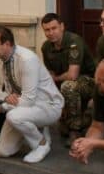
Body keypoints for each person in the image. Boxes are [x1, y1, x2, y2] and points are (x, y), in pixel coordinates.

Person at [0, 26, 63, 163]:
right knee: (3, 151)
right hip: (20, 107)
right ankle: (37, 127)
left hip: (48, 105)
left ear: (7, 44)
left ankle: (41, 144)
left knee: (13, 116)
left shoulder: (27, 59)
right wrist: (6, 97)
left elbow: (29, 100)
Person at [40, 13, 96, 141]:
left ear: (62, 27)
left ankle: (75, 129)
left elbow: (72, 75)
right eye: (47, 30)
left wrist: (56, 79)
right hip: (67, 83)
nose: (50, 33)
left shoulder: (74, 42)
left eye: (54, 28)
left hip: (90, 82)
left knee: (68, 86)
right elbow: (50, 74)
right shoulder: (46, 47)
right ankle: (66, 121)